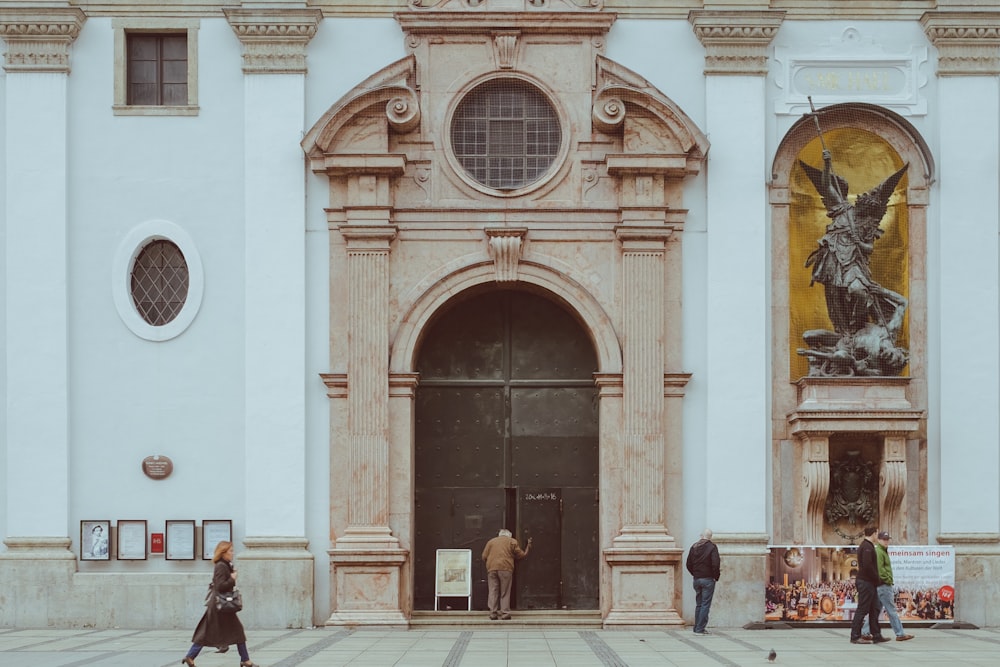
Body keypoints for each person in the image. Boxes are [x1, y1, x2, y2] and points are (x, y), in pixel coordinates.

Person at [181, 541, 259, 667]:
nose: (233, 553)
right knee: (236, 632)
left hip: (220, 606)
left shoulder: (226, 564)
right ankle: (245, 660)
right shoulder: (221, 566)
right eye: (231, 551)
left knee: (209, 632)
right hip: (220, 607)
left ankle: (191, 656)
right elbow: (220, 586)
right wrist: (232, 579)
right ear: (223, 553)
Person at [862, 531, 914, 641]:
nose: (886, 541)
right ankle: (900, 634)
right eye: (884, 539)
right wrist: (888, 579)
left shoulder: (881, 551)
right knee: (891, 610)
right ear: (879, 540)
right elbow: (880, 569)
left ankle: (865, 632)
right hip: (884, 585)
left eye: (887, 539)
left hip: (881, 585)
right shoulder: (880, 552)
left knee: (875, 611)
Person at [850, 526, 890, 644]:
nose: (877, 535)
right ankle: (855, 636)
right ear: (873, 533)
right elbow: (868, 566)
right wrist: (877, 578)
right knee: (862, 609)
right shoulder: (867, 546)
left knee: (874, 608)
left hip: (869, 582)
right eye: (877, 533)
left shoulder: (867, 545)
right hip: (866, 582)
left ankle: (876, 635)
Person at [481, 528, 532, 620]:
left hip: (492, 568)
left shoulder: (491, 542)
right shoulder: (512, 541)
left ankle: (493, 613)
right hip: (505, 568)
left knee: (493, 591)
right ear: (509, 535)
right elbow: (521, 555)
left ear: (500, 534)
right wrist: (528, 547)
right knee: (505, 592)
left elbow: (484, 556)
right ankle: (505, 613)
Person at [686, 528, 720, 635]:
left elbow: (688, 564)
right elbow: (715, 564)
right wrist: (716, 577)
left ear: (701, 536)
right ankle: (700, 628)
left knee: (699, 604)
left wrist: (695, 574)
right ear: (710, 537)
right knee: (705, 604)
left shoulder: (694, 547)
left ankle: (696, 627)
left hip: (697, 579)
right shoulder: (712, 547)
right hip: (708, 579)